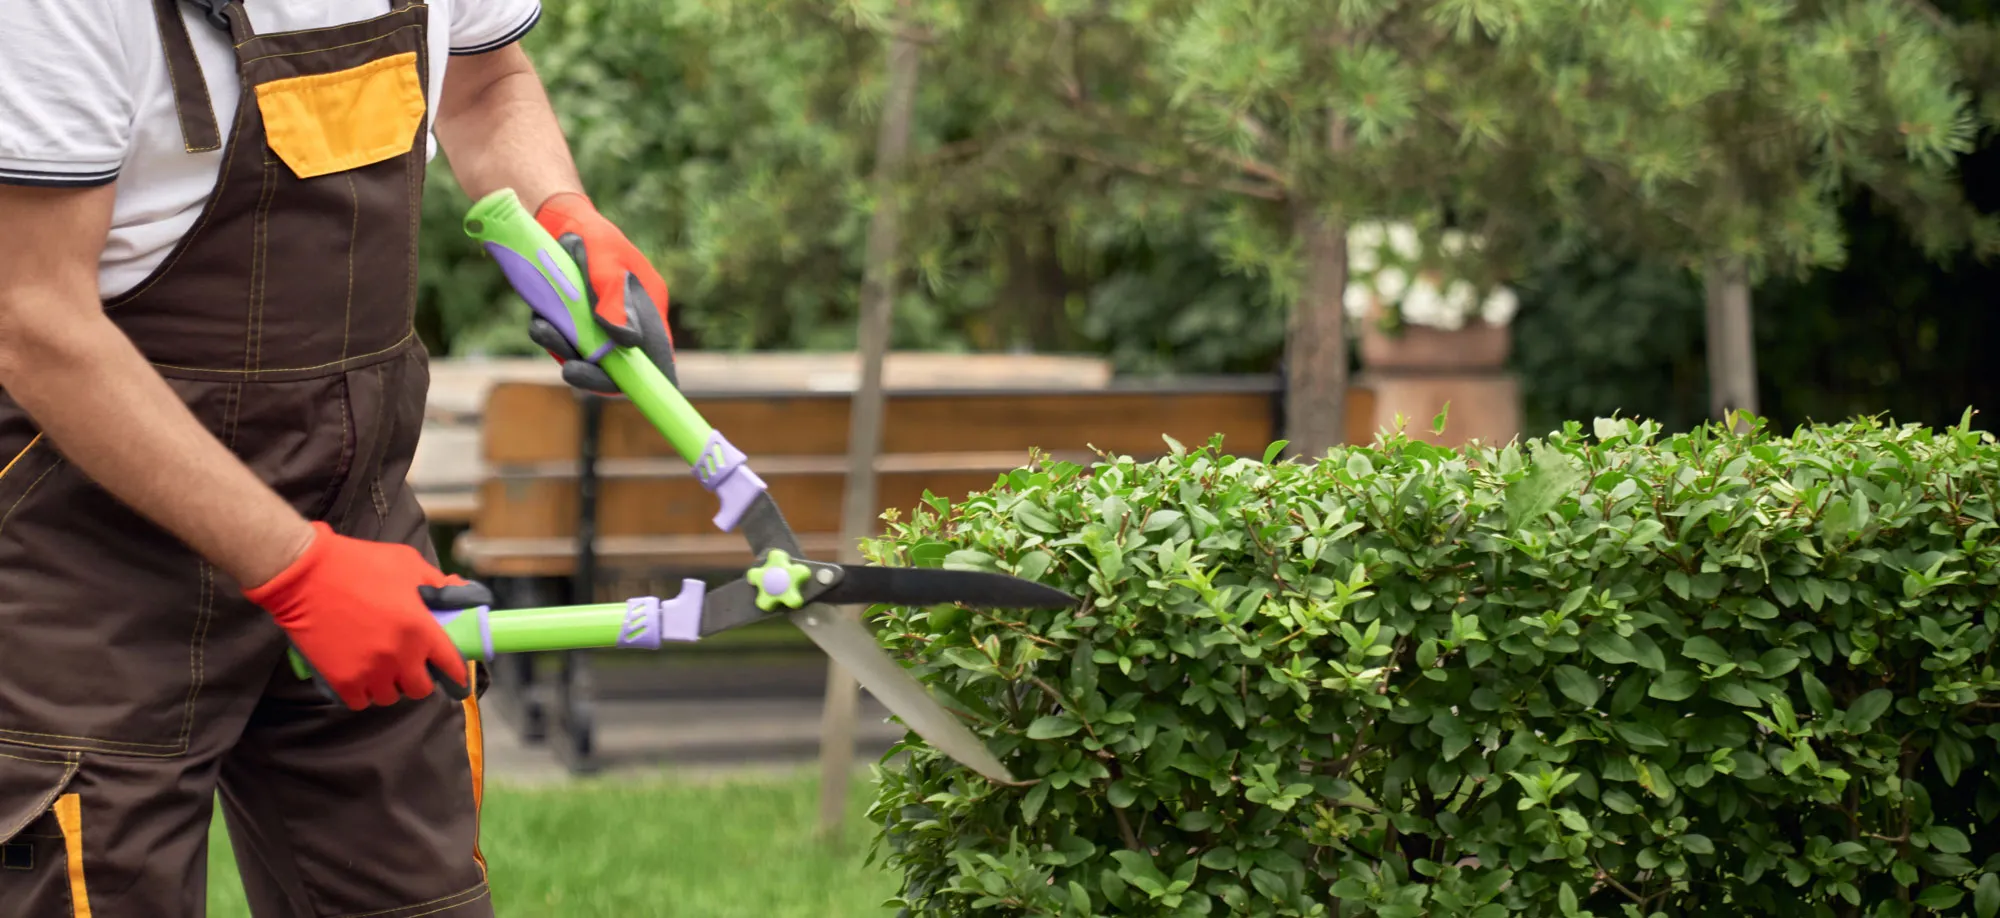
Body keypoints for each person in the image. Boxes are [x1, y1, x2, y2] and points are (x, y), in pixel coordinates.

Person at [0, 0, 675, 913]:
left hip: (363, 542)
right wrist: (297, 570)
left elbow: (485, 86)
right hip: (81, 563)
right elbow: (34, 320)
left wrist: (561, 211)